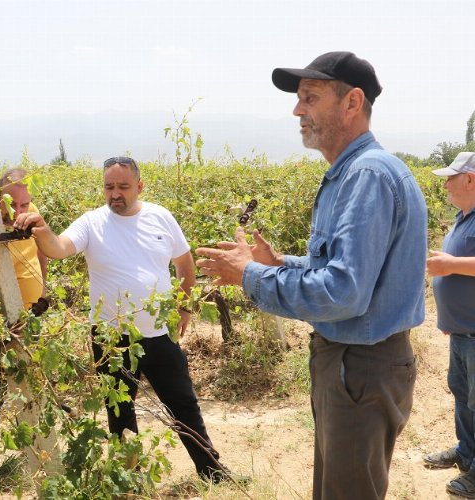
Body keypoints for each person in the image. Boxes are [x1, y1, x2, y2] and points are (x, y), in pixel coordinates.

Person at [195, 51, 426, 499]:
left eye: (310, 98)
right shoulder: (353, 174)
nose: (297, 110)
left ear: (352, 103)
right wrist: (280, 264)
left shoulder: (367, 176)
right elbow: (351, 270)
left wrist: (250, 277)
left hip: (359, 367)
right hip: (354, 365)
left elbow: (345, 293)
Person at [12, 156, 238, 482]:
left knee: (183, 404)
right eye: (109, 187)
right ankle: (130, 477)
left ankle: (212, 472)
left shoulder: (161, 217)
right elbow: (59, 248)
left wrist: (185, 306)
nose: (115, 194)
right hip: (111, 339)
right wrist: (41, 228)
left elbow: (185, 265)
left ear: (139, 186)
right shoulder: (92, 223)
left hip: (158, 334)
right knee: (120, 411)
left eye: (123, 186)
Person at [0, 168, 48, 476]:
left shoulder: (32, 215)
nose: (20, 211)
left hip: (33, 314)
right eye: (13, 204)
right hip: (6, 319)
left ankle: (38, 447)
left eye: (25, 204)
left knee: (35, 380)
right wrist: (0, 321)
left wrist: (43, 291)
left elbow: (42, 252)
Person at [422, 152, 475, 498]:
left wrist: (452, 264)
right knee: (462, 397)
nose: (444, 184)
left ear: (470, 179)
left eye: (450, 178)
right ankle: (466, 453)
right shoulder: (461, 218)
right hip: (461, 332)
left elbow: (456, 266)